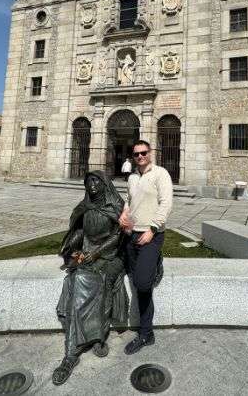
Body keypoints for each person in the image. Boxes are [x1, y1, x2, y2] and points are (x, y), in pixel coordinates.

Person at [53, 171, 129, 385]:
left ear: (105, 184)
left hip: (110, 256)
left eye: (96, 180)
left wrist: (95, 254)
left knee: (95, 281)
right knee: (73, 281)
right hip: (86, 254)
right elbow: (79, 231)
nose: (92, 184)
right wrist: (70, 247)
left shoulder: (115, 205)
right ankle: (73, 352)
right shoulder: (84, 206)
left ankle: (93, 338)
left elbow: (118, 236)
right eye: (89, 181)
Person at [119, 139, 173, 355]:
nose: (140, 156)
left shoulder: (160, 174)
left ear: (150, 153)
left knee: (142, 284)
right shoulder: (132, 177)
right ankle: (146, 331)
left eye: (143, 153)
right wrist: (124, 214)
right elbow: (129, 200)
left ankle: (145, 333)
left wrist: (152, 229)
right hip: (132, 235)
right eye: (136, 154)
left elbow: (166, 203)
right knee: (135, 279)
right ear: (133, 157)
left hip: (152, 235)